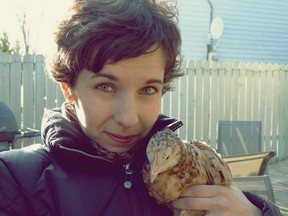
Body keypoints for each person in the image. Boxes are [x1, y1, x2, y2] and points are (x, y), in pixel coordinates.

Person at [0, 0, 281, 215]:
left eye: (148, 89)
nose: (129, 118)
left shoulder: (189, 170)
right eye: (105, 87)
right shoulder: (15, 180)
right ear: (69, 88)